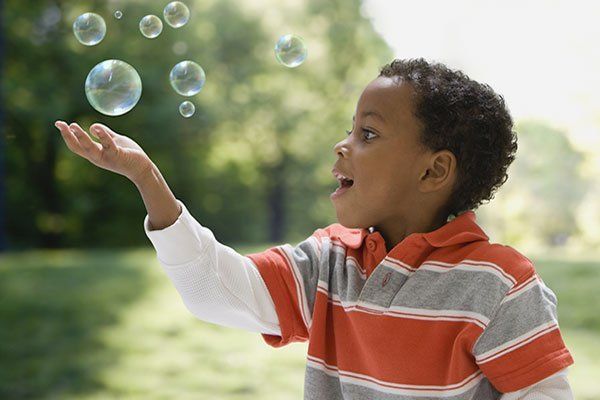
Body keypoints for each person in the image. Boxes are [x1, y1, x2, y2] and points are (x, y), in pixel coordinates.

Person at [55, 58, 574, 399]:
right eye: (350, 129)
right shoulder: (329, 261)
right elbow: (213, 292)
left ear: (433, 171)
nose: (342, 145)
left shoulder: (500, 284)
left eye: (368, 132)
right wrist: (147, 178)